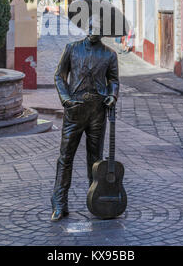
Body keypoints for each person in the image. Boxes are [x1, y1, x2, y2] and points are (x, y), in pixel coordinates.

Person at [51, 17, 119, 221]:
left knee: (95, 160)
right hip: (75, 111)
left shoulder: (110, 54)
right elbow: (59, 76)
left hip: (97, 111)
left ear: (103, 32)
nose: (92, 31)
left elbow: (113, 80)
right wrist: (66, 99)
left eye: (97, 28)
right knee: (65, 157)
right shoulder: (72, 49)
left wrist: (112, 95)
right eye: (90, 27)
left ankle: (96, 201)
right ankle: (59, 203)